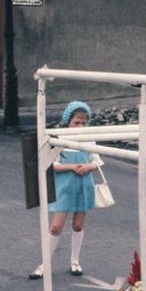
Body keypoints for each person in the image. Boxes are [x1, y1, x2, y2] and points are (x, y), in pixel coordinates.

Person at [29, 101, 100, 279]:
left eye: (84, 123)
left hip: (83, 184)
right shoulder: (59, 139)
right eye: (76, 122)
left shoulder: (89, 139)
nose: (80, 126)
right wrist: (71, 166)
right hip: (64, 186)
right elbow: (51, 164)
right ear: (68, 121)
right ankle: (45, 263)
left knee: (78, 225)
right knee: (55, 226)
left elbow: (97, 160)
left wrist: (88, 167)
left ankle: (75, 261)